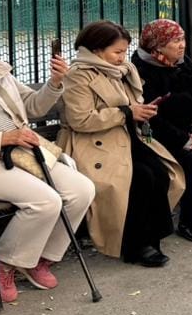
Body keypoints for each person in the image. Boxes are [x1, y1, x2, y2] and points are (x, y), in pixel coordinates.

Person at [0, 20, 95, 304]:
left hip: (21, 152)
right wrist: (2, 138)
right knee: (46, 201)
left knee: (82, 190)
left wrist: (54, 83)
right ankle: (0, 262)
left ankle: (37, 258)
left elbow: (33, 107)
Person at [57, 21, 184, 267]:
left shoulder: (121, 70)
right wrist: (127, 112)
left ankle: (151, 238)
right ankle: (135, 245)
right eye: (117, 52)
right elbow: (80, 120)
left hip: (125, 136)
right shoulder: (79, 75)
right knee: (139, 178)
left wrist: (140, 111)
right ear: (96, 49)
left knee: (160, 172)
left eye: (124, 51)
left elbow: (132, 103)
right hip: (92, 144)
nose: (122, 57)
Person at [131, 19, 192, 243]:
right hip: (156, 138)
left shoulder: (183, 64)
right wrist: (188, 141)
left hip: (191, 133)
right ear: (157, 45)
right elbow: (152, 117)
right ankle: (188, 222)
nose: (182, 45)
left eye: (182, 39)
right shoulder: (140, 70)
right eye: (175, 41)